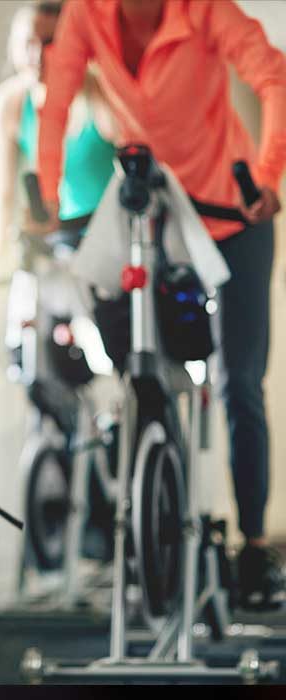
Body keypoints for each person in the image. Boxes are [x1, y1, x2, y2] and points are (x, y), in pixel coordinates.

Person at [35, 0, 286, 608]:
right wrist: (45, 196)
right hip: (152, 213)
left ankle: (253, 547)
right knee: (136, 361)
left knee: (238, 382)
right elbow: (58, 101)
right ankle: (153, 506)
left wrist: (269, 174)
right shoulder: (88, 17)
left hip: (232, 216)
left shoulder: (203, 11)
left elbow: (270, 74)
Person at [0, 0, 117, 287]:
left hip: (107, 235)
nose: (37, 55)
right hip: (54, 235)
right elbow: (4, 192)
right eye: (29, 43)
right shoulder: (9, 103)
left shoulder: (97, 92)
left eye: (51, 42)